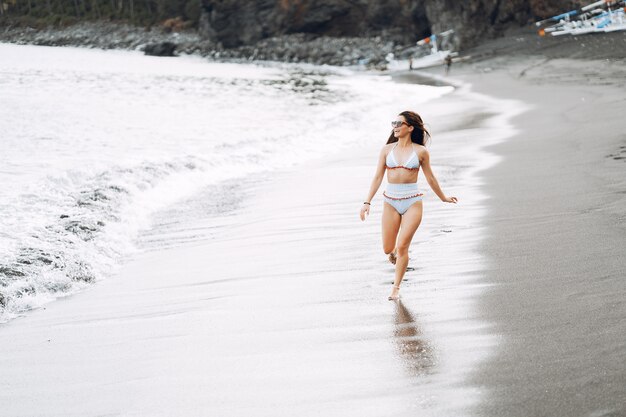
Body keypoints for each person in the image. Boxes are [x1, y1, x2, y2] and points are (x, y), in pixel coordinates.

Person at [359, 111, 457, 300]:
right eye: (393, 122)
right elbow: (378, 176)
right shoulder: (387, 150)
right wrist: (367, 202)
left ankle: (396, 288)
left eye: (399, 123)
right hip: (390, 201)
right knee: (388, 249)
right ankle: (394, 252)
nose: (395, 126)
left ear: (410, 127)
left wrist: (443, 197)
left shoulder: (420, 152)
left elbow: (430, 177)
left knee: (403, 246)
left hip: (413, 201)